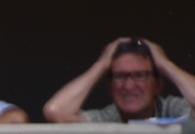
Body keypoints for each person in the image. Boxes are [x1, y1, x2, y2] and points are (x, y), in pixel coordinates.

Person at [43, 38, 195, 124]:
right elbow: (56, 111)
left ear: (158, 86)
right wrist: (101, 65)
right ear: (110, 88)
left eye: (139, 75)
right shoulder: (108, 118)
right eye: (120, 76)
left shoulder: (173, 109)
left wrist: (165, 64)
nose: (128, 86)